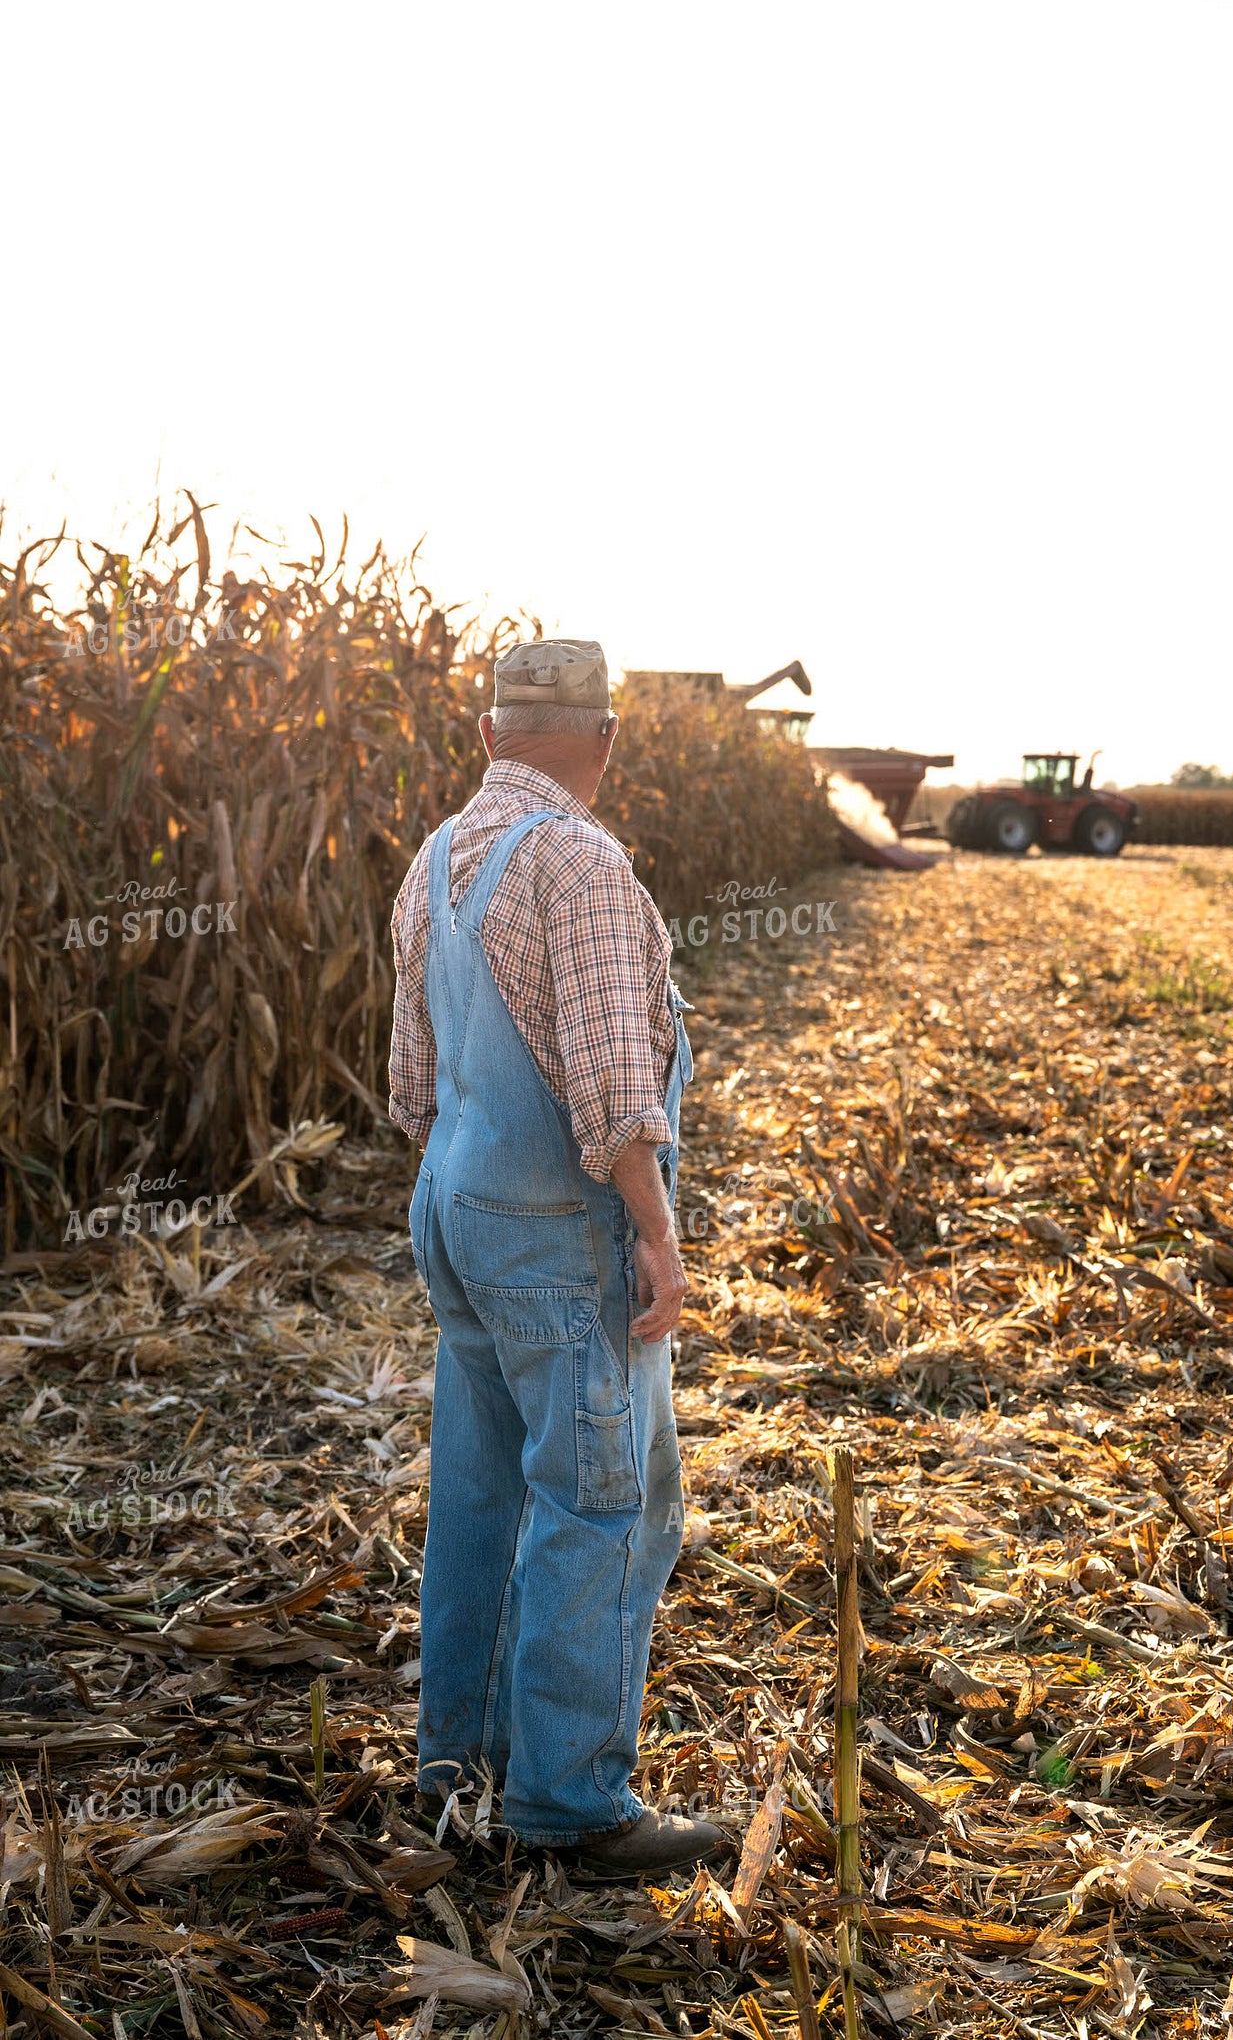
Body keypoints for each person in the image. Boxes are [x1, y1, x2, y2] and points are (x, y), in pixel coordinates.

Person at [388, 637, 729, 1876]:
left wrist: (470, 1200)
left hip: (456, 1210)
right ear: (608, 739)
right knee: (604, 1499)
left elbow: (411, 1082)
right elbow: (612, 1089)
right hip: (554, 1227)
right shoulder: (582, 861)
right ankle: (570, 1800)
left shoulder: (436, 860)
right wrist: (653, 1229)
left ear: (489, 736)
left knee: (481, 1488)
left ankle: (456, 1766)